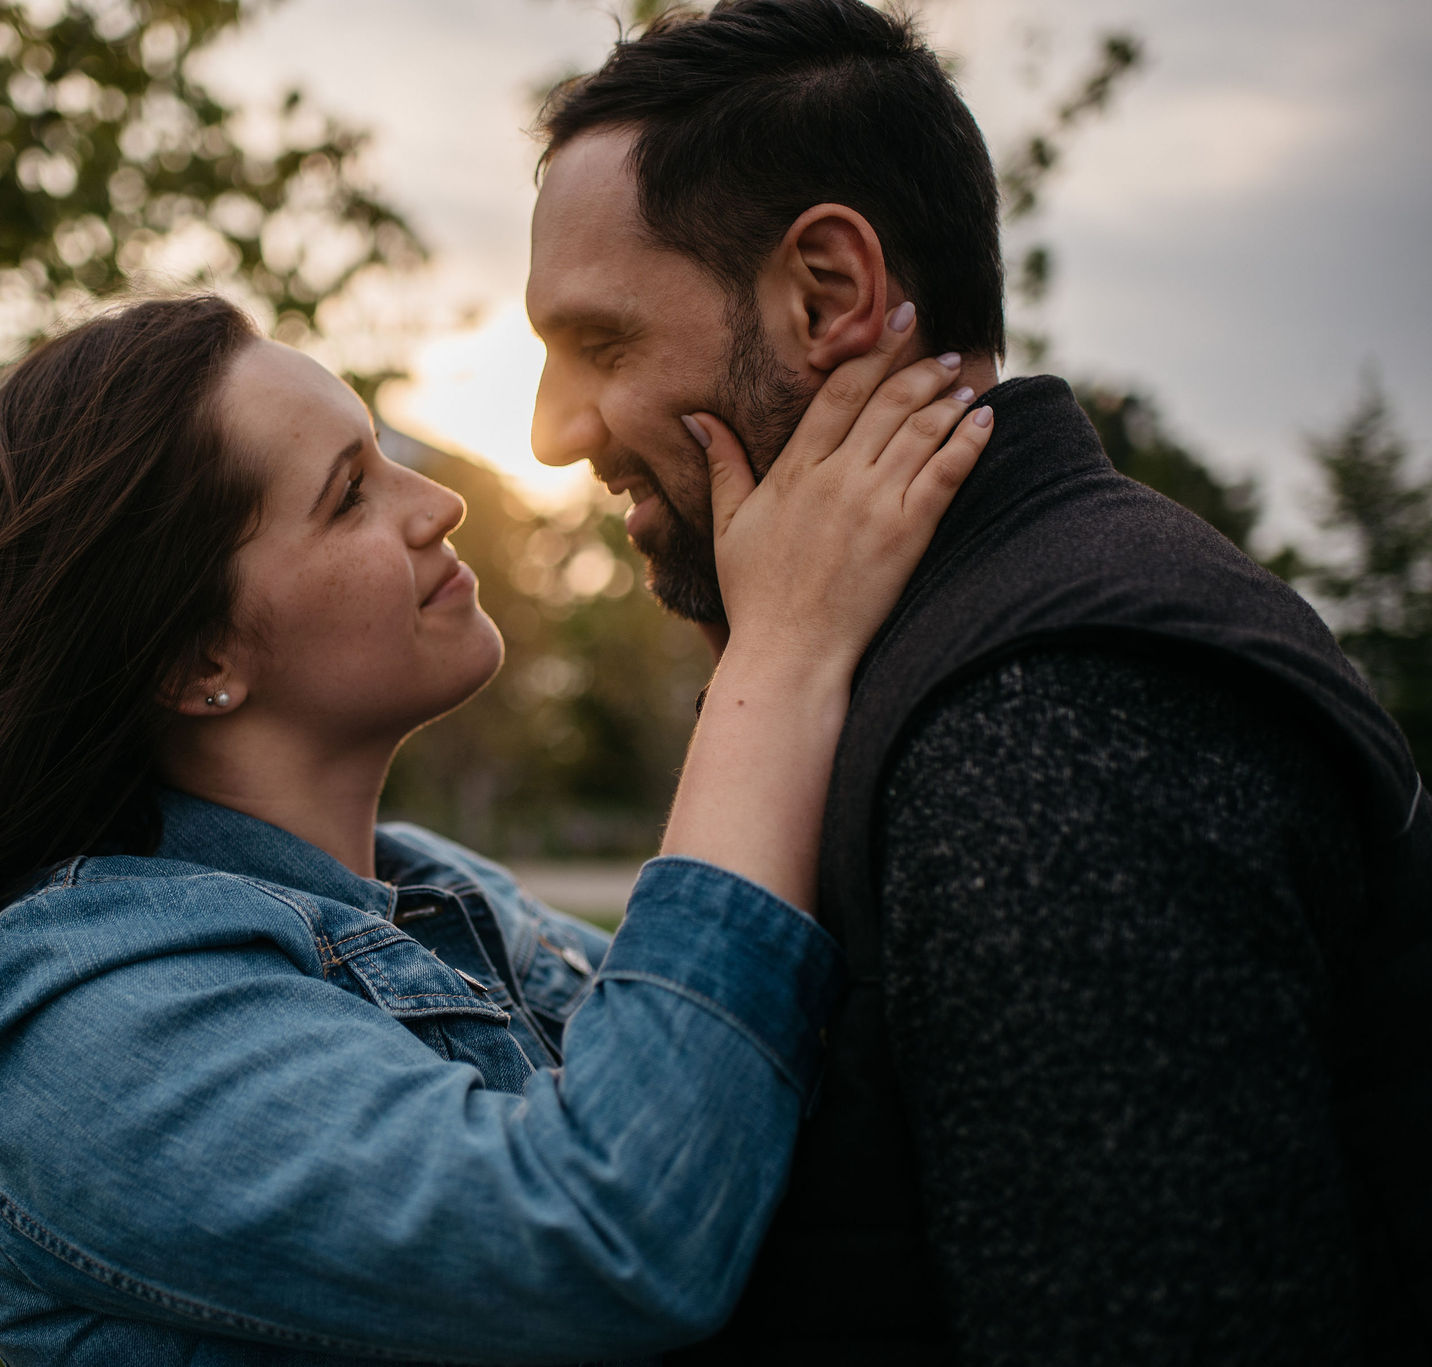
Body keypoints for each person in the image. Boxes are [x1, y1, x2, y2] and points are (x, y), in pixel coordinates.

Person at [0, 291, 994, 1365]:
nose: (437, 505)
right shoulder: (82, 1013)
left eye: (385, 455)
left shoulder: (437, 897)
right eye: (348, 493)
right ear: (198, 659)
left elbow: (728, 1097)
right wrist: (779, 649)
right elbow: (610, 1233)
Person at [526, 2, 1432, 1364]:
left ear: (826, 292)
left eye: (600, 344)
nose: (549, 434)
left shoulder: (1059, 709)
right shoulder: (913, 658)